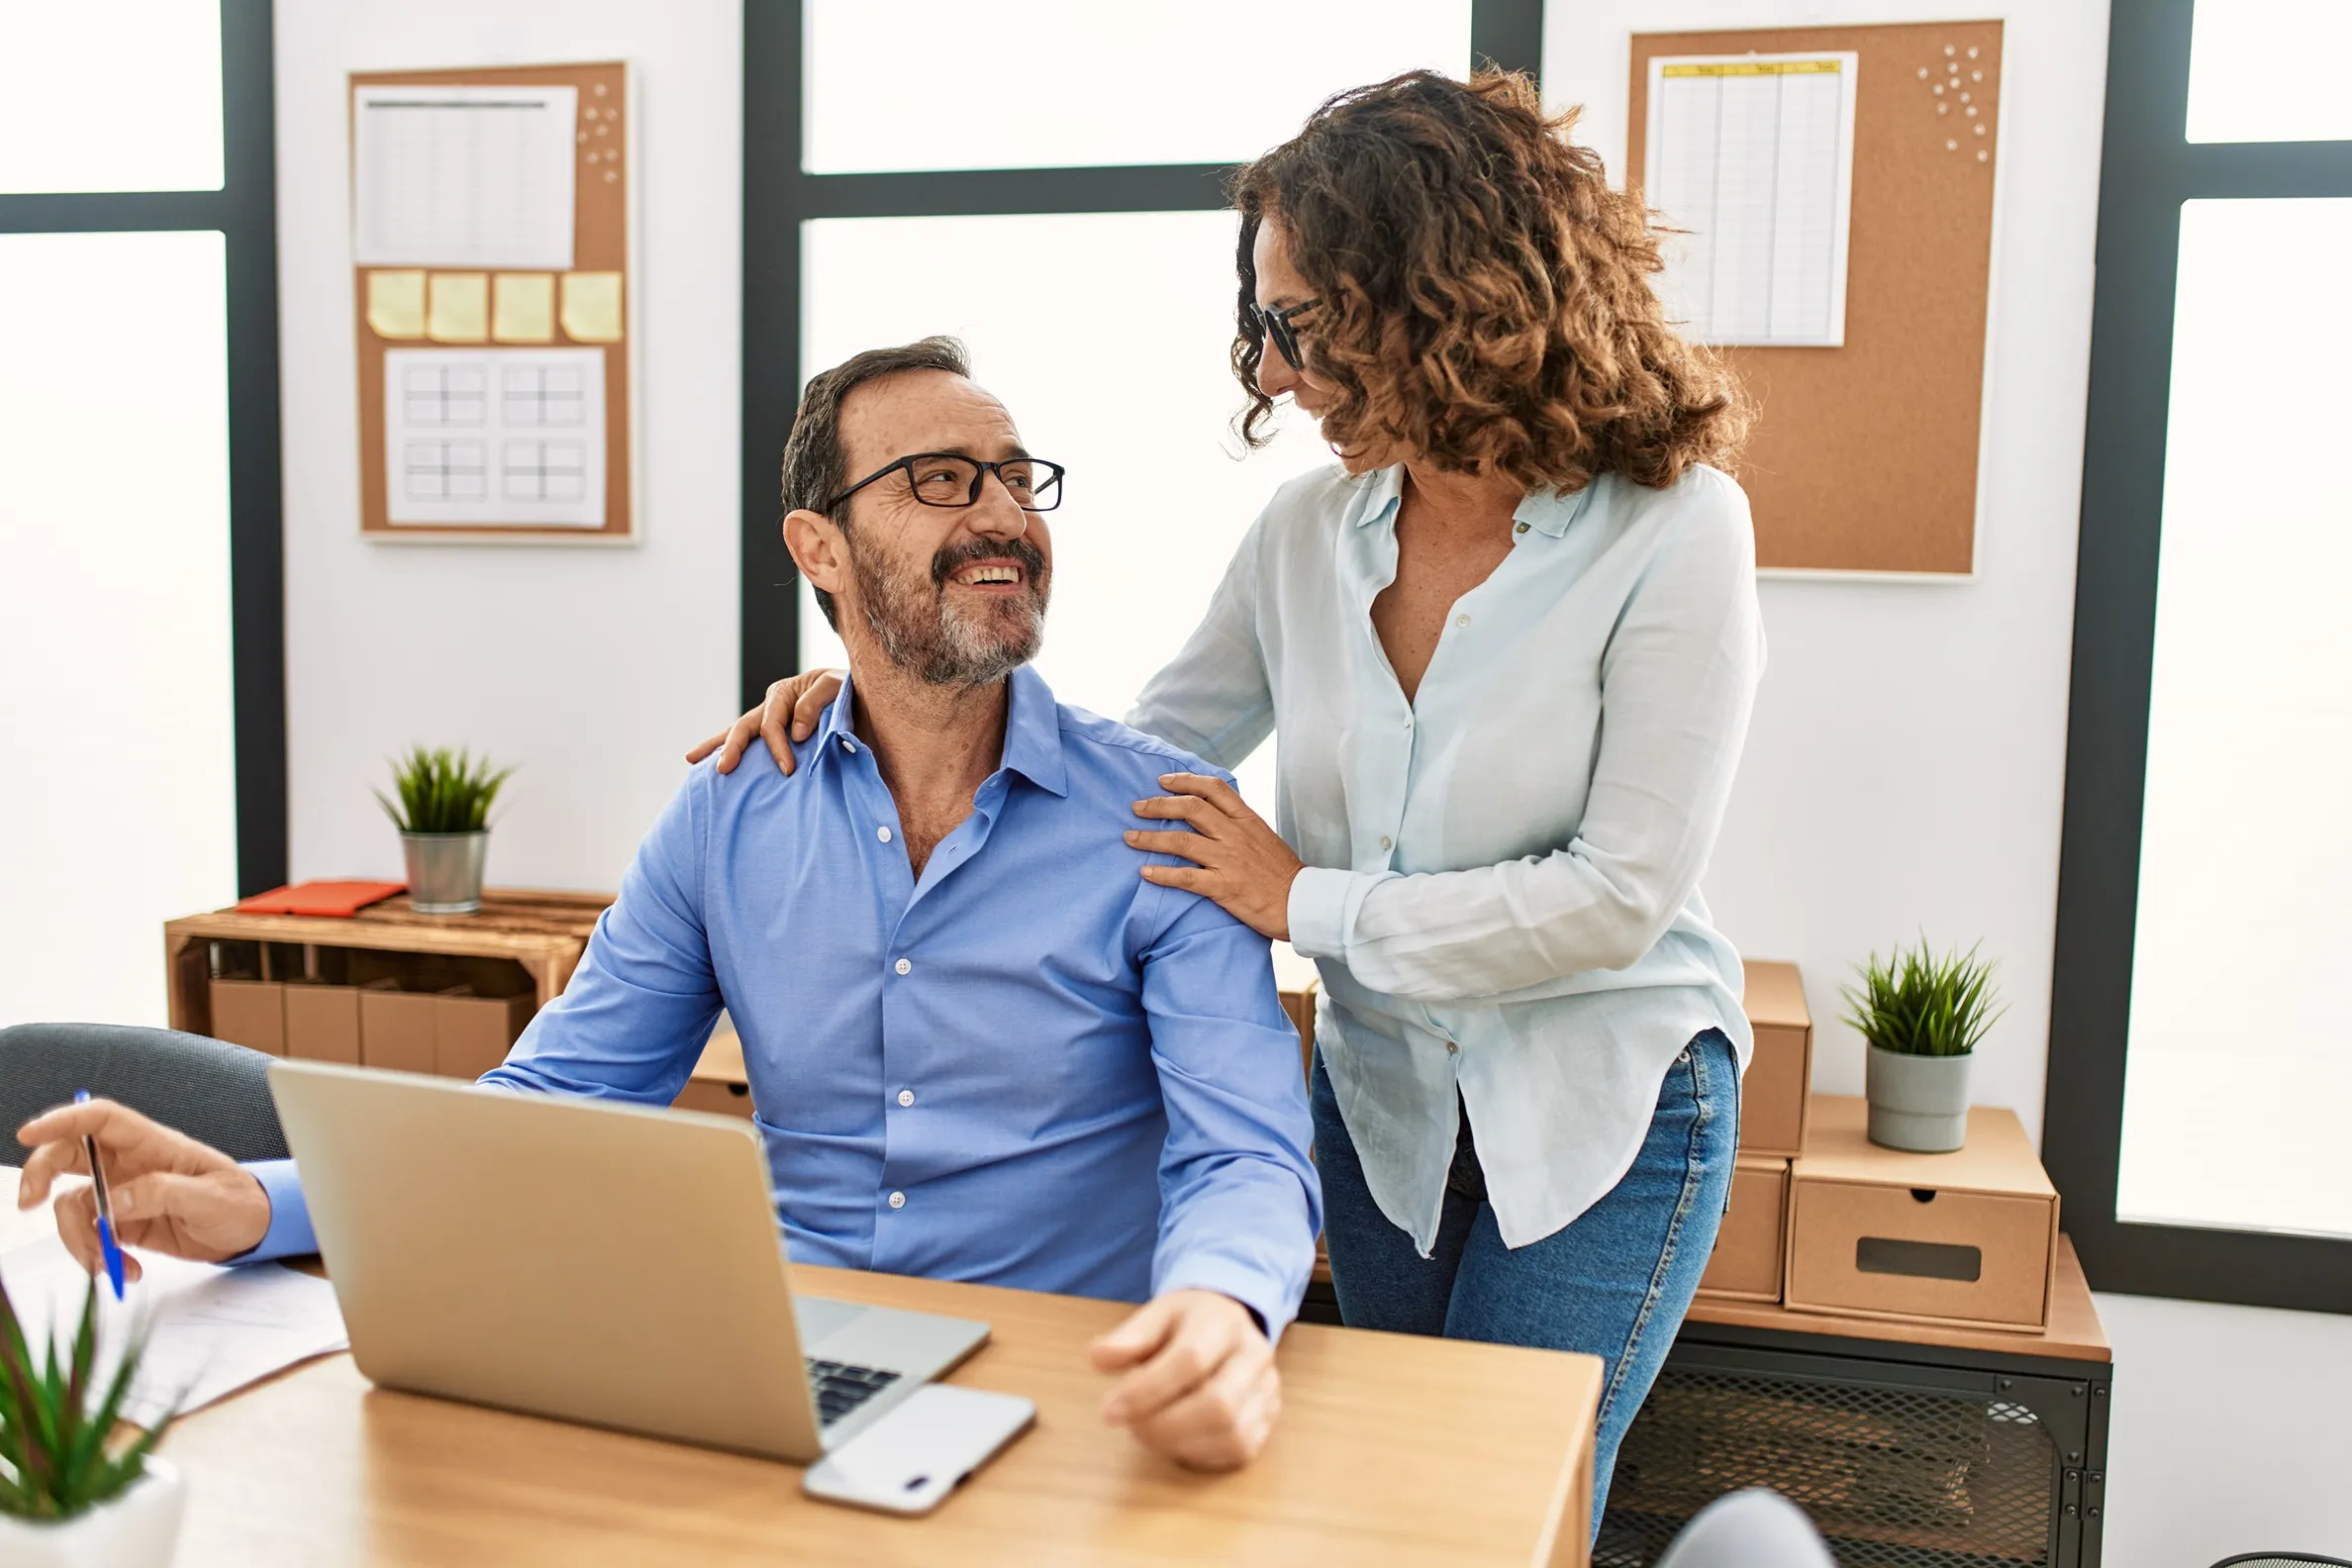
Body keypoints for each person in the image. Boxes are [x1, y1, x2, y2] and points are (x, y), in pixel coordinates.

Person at [694, 71, 1763, 1529]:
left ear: (1435, 296)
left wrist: (1298, 902)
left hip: (1604, 1099)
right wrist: (881, 714)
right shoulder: (1309, 532)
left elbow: (1620, 894)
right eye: (1264, 330)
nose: (1269, 371)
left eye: (1299, 326)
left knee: (1504, 1511)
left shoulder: (1672, 529)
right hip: (1387, 1100)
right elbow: (1142, 750)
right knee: (1385, 1494)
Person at [17, 338, 1321, 1474]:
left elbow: (1243, 1152)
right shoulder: (731, 811)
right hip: (768, 1369)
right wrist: (262, 1205)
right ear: (818, 543)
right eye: (941, 479)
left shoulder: (1165, 815)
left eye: (1016, 478)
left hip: (1068, 1382)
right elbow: (552, 1114)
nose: (1003, 515)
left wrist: (1218, 1307)